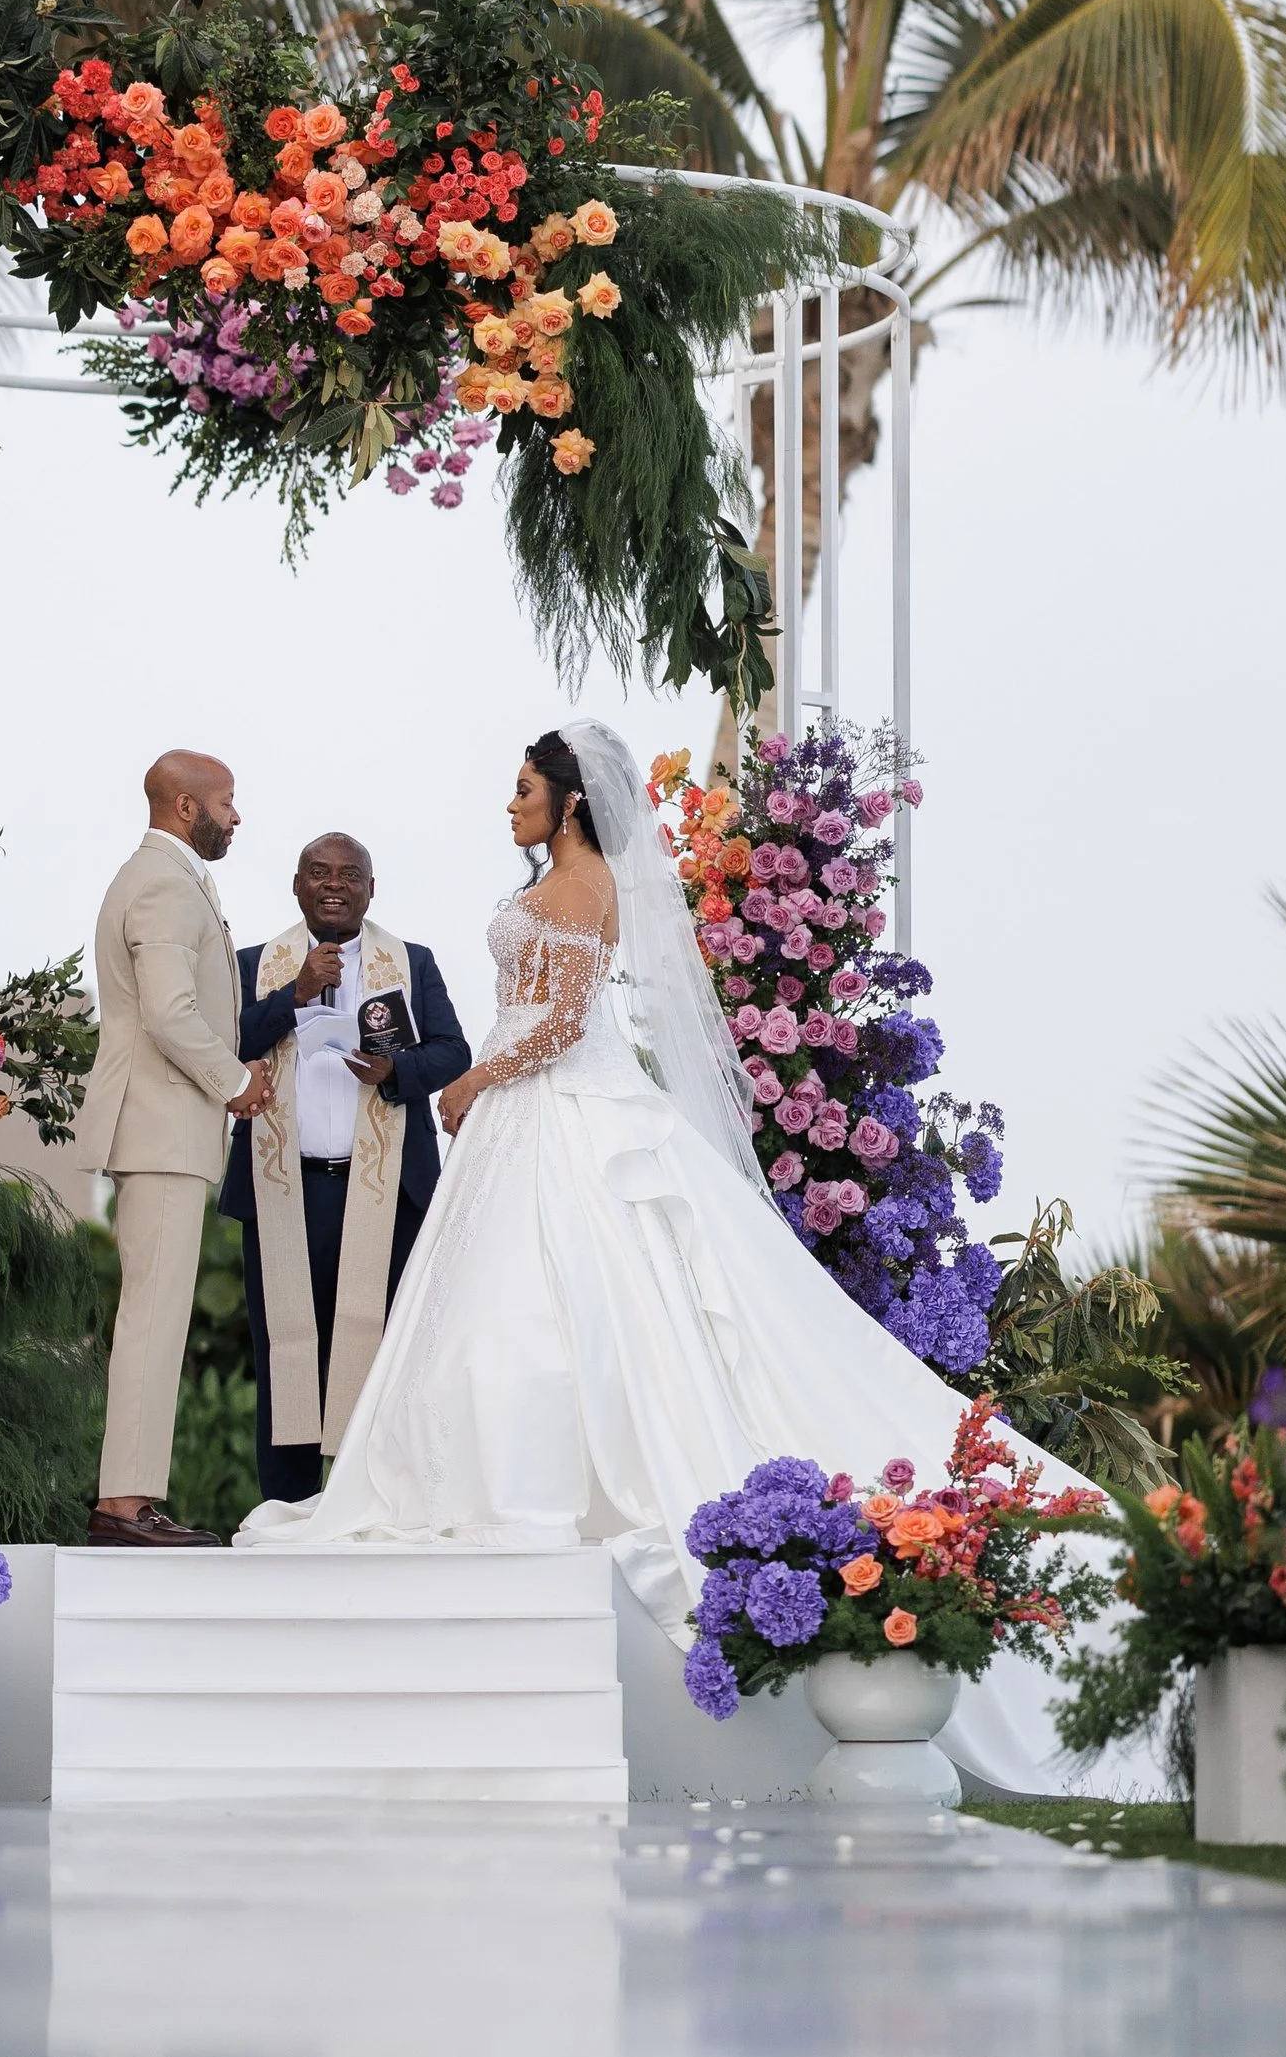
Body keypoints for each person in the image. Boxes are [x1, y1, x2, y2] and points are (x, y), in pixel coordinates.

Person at [236, 721, 1095, 1795]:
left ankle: (543, 1490)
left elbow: (560, 1025)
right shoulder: (559, 875)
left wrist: (470, 1082)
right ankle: (467, 1480)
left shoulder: (589, 883)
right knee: (486, 1310)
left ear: (570, 801)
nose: (507, 808)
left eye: (521, 791)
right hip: (518, 1119)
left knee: (572, 1304)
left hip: (559, 1106)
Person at [223, 832, 470, 1502]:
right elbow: (220, 1047)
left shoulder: (410, 963)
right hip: (285, 1189)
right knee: (289, 1353)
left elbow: (453, 1051)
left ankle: (378, 1508)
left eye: (350, 875)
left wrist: (397, 1069)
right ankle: (288, 1512)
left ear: (370, 889)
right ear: (297, 885)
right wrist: (295, 995)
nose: (334, 884)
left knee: (388, 1355)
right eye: (319, 873)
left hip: (388, 1193)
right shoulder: (253, 963)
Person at [73, 748, 270, 1547]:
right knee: (152, 1317)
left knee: (157, 1314)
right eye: (227, 801)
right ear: (186, 807)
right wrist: (235, 1082)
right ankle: (123, 1505)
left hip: (167, 1128)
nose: (236, 815)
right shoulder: (160, 882)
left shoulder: (171, 878)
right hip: (160, 1128)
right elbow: (169, 1012)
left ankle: (133, 1497)